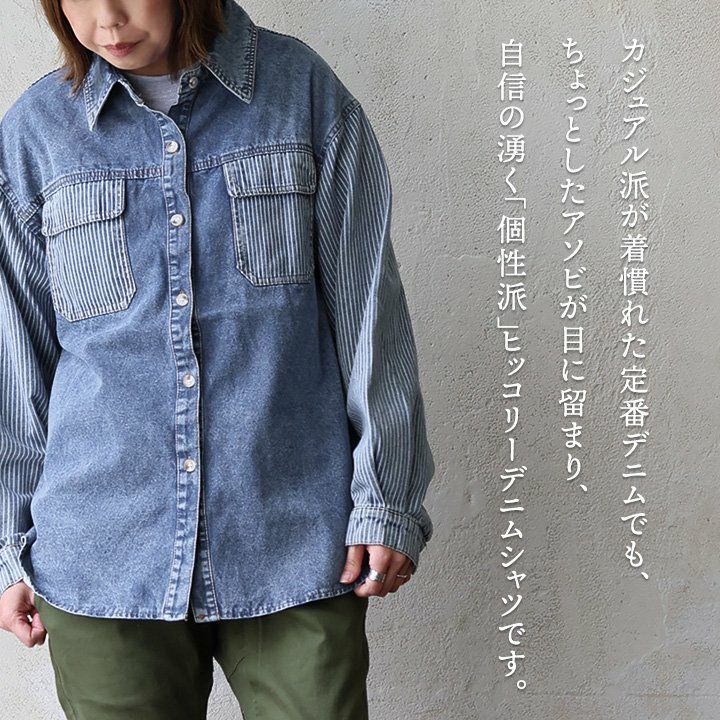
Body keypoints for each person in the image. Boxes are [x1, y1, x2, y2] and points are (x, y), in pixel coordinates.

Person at [0, 0, 436, 717]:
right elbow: (16, 359)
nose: (106, 19)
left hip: (294, 542)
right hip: (101, 559)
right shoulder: (36, 132)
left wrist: (385, 498)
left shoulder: (302, 94)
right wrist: (10, 546)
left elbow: (370, 315)